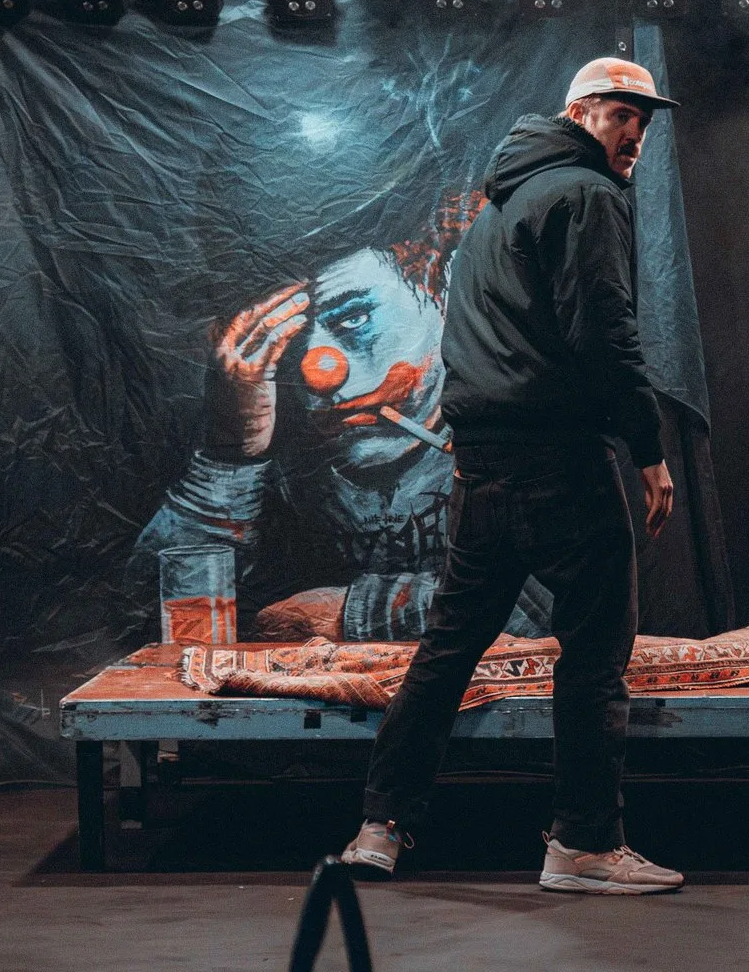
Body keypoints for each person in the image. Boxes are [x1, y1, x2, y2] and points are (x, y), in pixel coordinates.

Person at [339, 56, 685, 894]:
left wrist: (472, 435)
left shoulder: (496, 209)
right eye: (619, 110)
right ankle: (583, 844)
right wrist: (647, 450)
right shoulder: (589, 194)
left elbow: (472, 341)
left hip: (485, 468)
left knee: (449, 647)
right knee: (597, 650)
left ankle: (379, 829)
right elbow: (605, 336)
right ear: (579, 112)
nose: (637, 128)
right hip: (560, 460)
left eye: (645, 114)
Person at [132, 199, 552, 643]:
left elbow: (558, 599)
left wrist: (351, 614)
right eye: (287, 340)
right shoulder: (270, 442)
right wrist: (231, 456)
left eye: (355, 318)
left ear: (441, 295)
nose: (319, 374)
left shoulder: (521, 417)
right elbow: (154, 615)